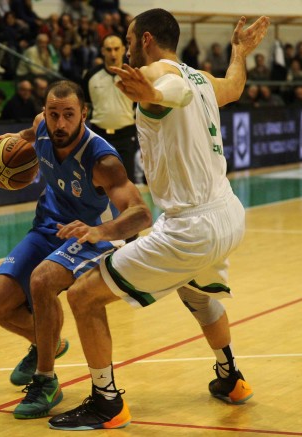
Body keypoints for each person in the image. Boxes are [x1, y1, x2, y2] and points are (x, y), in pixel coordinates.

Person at [46, 10, 269, 431]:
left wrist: (151, 91)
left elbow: (171, 91)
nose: (127, 45)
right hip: (228, 214)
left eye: (129, 38)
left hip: (192, 227)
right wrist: (239, 52)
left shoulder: (159, 76)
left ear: (145, 39)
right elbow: (235, 87)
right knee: (198, 293)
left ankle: (106, 403)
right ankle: (231, 378)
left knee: (83, 296)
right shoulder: (201, 77)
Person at [0, 80, 151, 419]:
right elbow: (32, 133)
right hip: (48, 226)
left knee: (42, 280)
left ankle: (46, 380)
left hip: (91, 235)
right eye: (53, 114)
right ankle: (48, 344)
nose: (59, 123)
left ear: (84, 115)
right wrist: (17, 140)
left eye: (69, 115)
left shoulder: (102, 160)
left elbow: (141, 214)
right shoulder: (42, 127)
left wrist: (98, 231)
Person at [82, 34, 139, 183]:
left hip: (126, 135)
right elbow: (86, 105)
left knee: (127, 181)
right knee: (98, 182)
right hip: (99, 135)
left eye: (116, 49)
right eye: (108, 49)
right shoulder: (91, 76)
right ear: (102, 51)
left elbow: (140, 103)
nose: (113, 54)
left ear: (123, 49)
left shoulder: (133, 75)